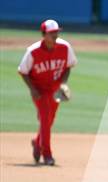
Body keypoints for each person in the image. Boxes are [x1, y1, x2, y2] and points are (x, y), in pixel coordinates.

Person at [18, 19, 77, 165]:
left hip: (56, 89)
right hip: (39, 90)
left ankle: (38, 143)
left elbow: (69, 66)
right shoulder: (33, 51)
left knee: (50, 120)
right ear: (43, 34)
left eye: (56, 32)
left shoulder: (65, 47)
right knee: (45, 118)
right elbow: (23, 71)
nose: (55, 35)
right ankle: (47, 155)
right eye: (52, 33)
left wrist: (63, 84)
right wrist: (32, 89)